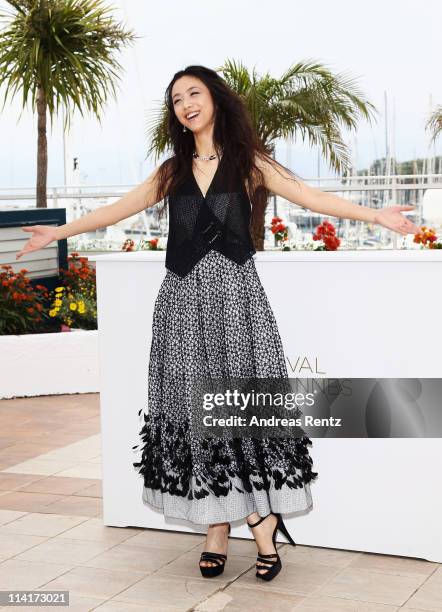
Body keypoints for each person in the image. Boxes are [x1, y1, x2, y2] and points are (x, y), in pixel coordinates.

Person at [16, 65, 419, 582]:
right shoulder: (171, 171)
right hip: (182, 303)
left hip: (236, 303)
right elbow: (115, 211)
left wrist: (375, 216)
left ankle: (258, 524)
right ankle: (220, 527)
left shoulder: (248, 162)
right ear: (176, 116)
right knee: (192, 408)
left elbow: (312, 198)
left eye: (194, 92)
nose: (186, 103)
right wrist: (57, 233)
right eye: (177, 98)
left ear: (214, 100)